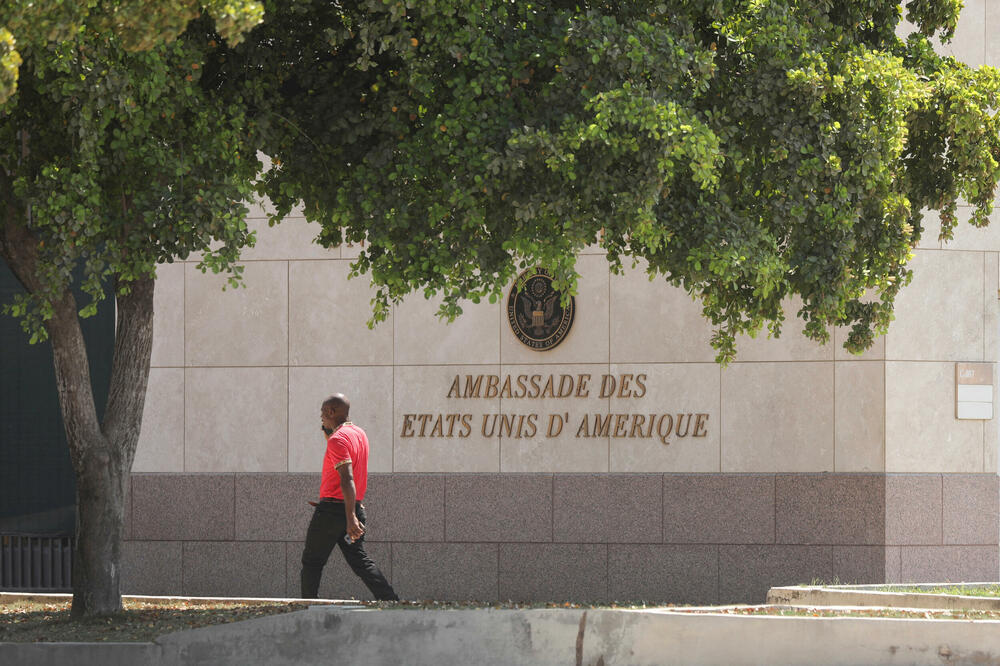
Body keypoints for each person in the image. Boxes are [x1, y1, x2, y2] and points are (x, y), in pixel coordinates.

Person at [300, 393, 398, 600]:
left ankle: (308, 606)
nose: (321, 416)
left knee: (312, 562)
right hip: (352, 508)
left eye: (322, 412)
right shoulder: (359, 434)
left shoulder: (337, 440)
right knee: (360, 561)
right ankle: (391, 600)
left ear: (331, 411)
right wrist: (353, 512)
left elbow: (347, 478)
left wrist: (351, 517)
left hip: (332, 513)